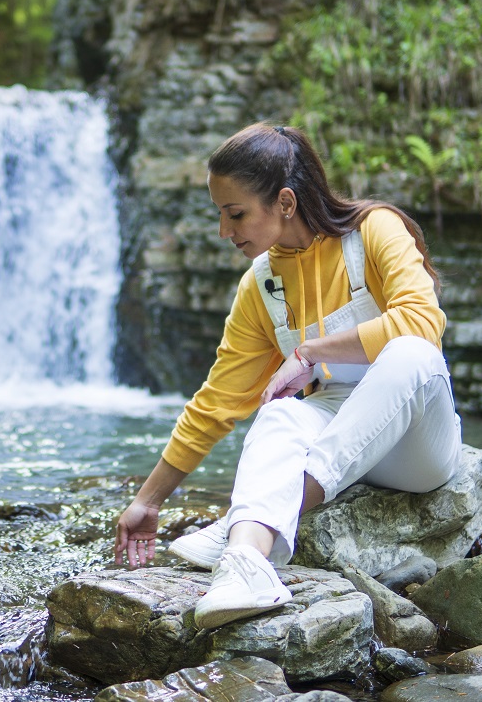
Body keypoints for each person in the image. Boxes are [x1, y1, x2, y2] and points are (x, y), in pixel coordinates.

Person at [113, 122, 462, 630]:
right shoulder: (261, 284)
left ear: (284, 202)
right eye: (220, 215)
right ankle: (248, 562)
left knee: (410, 352)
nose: (225, 232)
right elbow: (216, 401)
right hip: (338, 433)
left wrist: (309, 352)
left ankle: (257, 517)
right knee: (277, 416)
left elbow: (422, 322)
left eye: (235, 214)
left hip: (416, 446)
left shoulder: (375, 229)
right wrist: (147, 501)